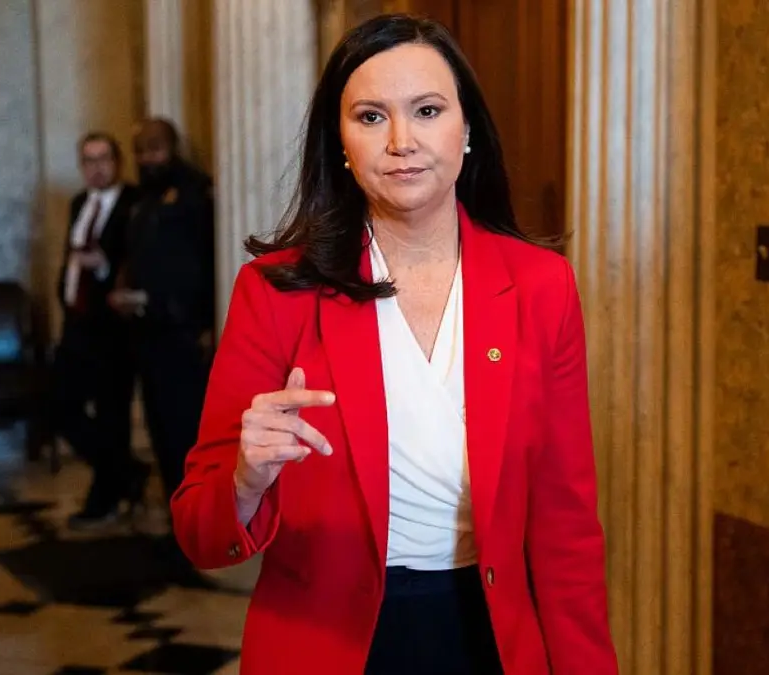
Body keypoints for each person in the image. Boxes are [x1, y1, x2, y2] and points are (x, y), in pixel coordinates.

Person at [170, 13, 618, 675]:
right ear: (341, 143)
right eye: (371, 117)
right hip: (328, 644)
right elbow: (199, 535)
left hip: (491, 638)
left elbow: (567, 527)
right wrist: (245, 479)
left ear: (468, 130)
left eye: (428, 110)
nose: (402, 141)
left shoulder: (541, 286)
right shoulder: (276, 293)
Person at [110, 118, 215, 529]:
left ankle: (196, 524)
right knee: (159, 429)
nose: (146, 158)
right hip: (146, 330)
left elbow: (204, 261)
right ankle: (177, 521)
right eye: (139, 150)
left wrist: (206, 323)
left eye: (154, 148)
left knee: (184, 432)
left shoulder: (195, 194)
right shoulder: (143, 199)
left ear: (172, 148)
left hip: (184, 332)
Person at [51, 131, 146, 529]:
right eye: (88, 160)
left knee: (111, 416)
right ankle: (127, 472)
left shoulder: (134, 203)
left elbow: (136, 260)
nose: (97, 168)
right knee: (60, 408)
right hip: (76, 325)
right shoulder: (79, 203)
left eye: (103, 158)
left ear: (117, 162)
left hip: (113, 331)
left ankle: (104, 497)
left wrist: (103, 265)